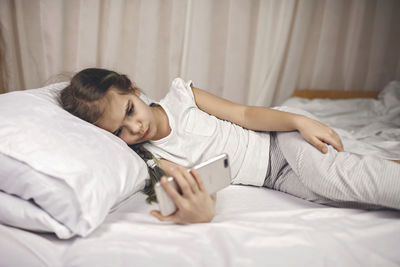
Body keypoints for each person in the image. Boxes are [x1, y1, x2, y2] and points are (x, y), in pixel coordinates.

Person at [60, 68, 400, 223]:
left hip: (280, 140)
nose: (135, 127)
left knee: (329, 177)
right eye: (120, 132)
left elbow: (246, 113)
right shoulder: (151, 158)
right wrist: (201, 213)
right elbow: (198, 190)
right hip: (273, 178)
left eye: (130, 111)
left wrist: (299, 122)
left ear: (133, 90)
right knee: (340, 196)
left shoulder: (183, 96)